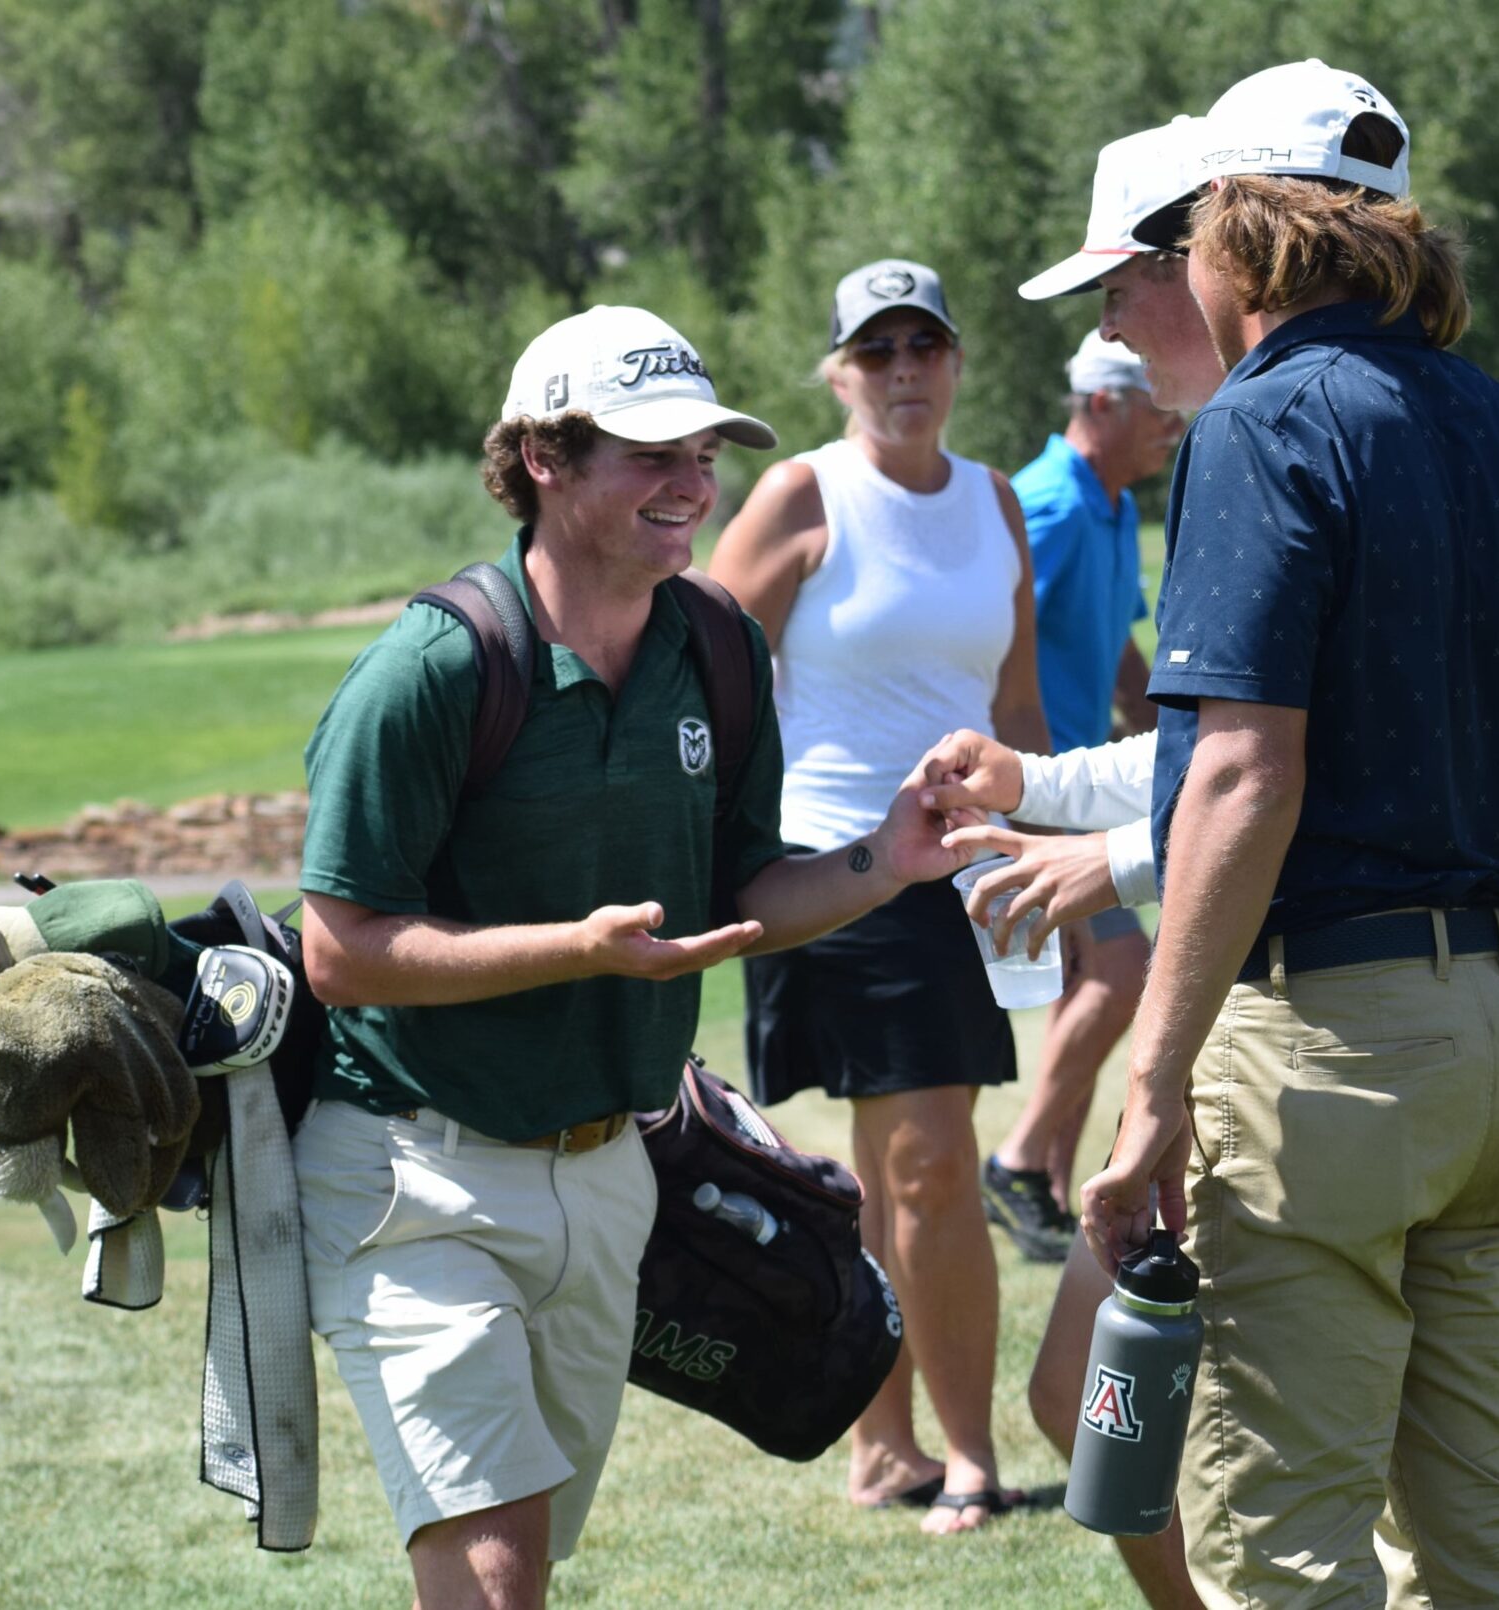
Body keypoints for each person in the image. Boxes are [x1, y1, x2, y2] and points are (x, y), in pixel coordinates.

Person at [1023, 60, 1499, 1608]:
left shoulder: (1260, 420)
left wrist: (1154, 1079)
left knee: (1286, 1548)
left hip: (1326, 1053)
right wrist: (1473, 866)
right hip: (1493, 1039)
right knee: (1481, 1541)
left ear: (1234, 233)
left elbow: (1243, 775)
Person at [291, 304, 968, 1609]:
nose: (693, 483)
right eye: (651, 451)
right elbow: (342, 951)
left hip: (616, 1177)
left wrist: (882, 858)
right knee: (493, 1570)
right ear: (543, 456)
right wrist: (581, 952)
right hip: (409, 1171)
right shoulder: (433, 668)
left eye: (704, 451)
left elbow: (745, 892)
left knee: (529, 1558)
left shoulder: (714, 644)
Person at [707, 259, 1052, 1535]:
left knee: (910, 1171)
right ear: (839, 371)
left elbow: (1016, 713)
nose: (903, 371)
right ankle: (945, 1451)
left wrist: (1066, 845)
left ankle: (910, 1446)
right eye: (875, 351)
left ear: (956, 361)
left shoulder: (995, 501)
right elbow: (700, 661)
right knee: (911, 1169)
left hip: (958, 870)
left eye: (925, 346)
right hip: (831, 870)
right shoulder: (803, 490)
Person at [981, 329, 1184, 1264]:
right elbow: (989, 646)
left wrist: (1180, 732)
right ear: (1102, 404)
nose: (1173, 426)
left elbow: (1122, 648)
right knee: (1119, 974)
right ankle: (1019, 1163)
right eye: (1157, 408)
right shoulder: (1049, 509)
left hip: (1090, 785)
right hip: (1043, 791)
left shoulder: (1108, 506)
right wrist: (1015, 804)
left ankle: (1046, 1193)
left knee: (1090, 988)